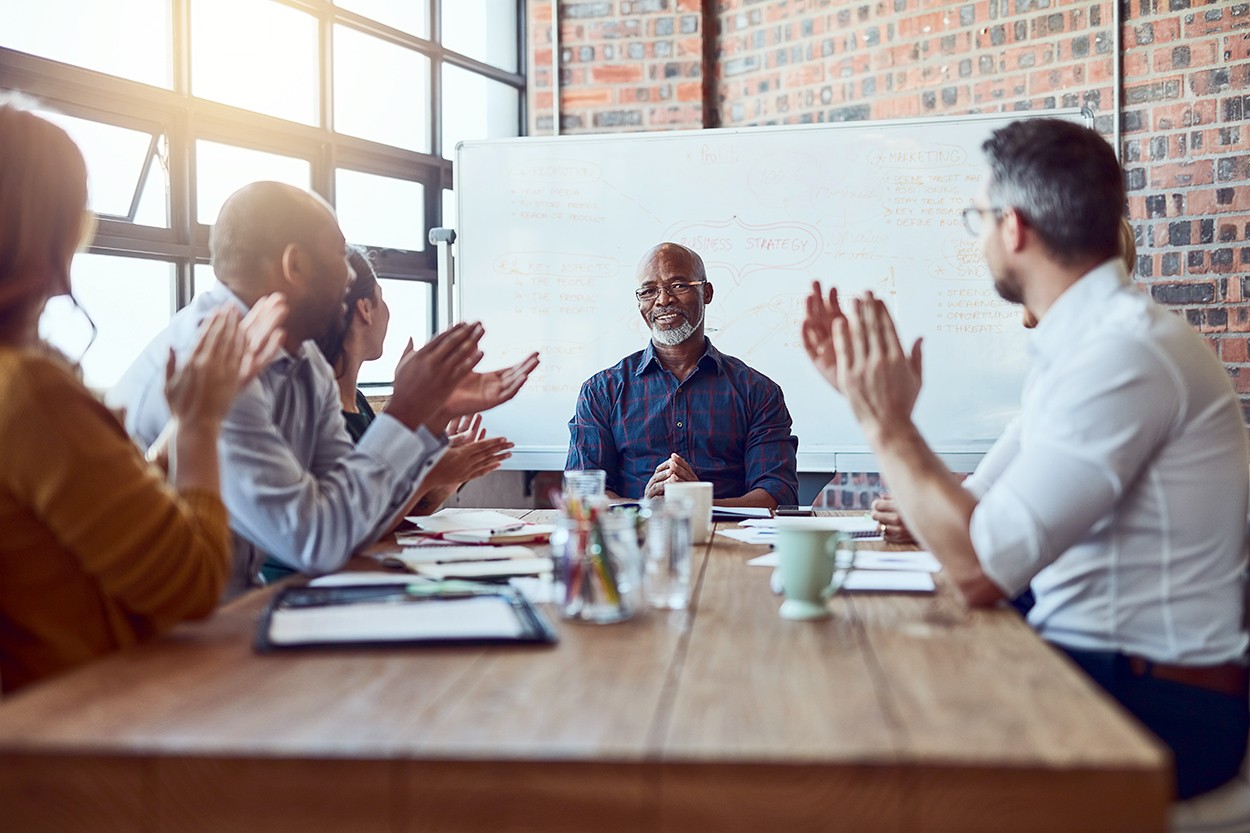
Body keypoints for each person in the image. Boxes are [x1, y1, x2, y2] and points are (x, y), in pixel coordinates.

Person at [802, 118, 1248, 800]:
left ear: (1013, 227)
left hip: (1154, 709)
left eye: (978, 217)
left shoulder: (1122, 354)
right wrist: (877, 413)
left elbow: (982, 569)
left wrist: (885, 420)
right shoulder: (1085, 347)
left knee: (869, 743)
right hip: (1096, 671)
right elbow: (989, 528)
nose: (979, 236)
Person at [110, 181, 539, 596]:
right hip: (161, 637)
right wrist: (406, 412)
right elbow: (317, 542)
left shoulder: (305, 359)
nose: (351, 273)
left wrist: (425, 416)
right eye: (339, 254)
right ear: (294, 266)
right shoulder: (212, 365)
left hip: (238, 609)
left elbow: (356, 516)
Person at [0, 97, 286, 693]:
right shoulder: (32, 392)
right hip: (79, 733)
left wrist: (189, 417)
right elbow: (192, 583)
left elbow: (111, 515)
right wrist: (205, 424)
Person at [872, 214, 1140, 541]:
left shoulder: (1113, 367)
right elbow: (985, 492)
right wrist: (934, 507)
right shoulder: (1056, 367)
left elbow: (1015, 527)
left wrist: (889, 423)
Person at [566, 242, 798, 508]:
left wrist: (701, 503)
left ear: (707, 293)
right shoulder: (601, 391)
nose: (663, 300)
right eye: (649, 291)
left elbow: (778, 491)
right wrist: (643, 507)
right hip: (634, 539)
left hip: (731, 540)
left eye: (678, 285)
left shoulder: (757, 391)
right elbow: (582, 489)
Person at [313, 246, 514, 513]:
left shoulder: (359, 403)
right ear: (365, 309)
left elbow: (387, 515)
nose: (387, 311)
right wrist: (430, 474)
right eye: (381, 298)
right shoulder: (322, 414)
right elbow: (354, 527)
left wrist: (438, 485)